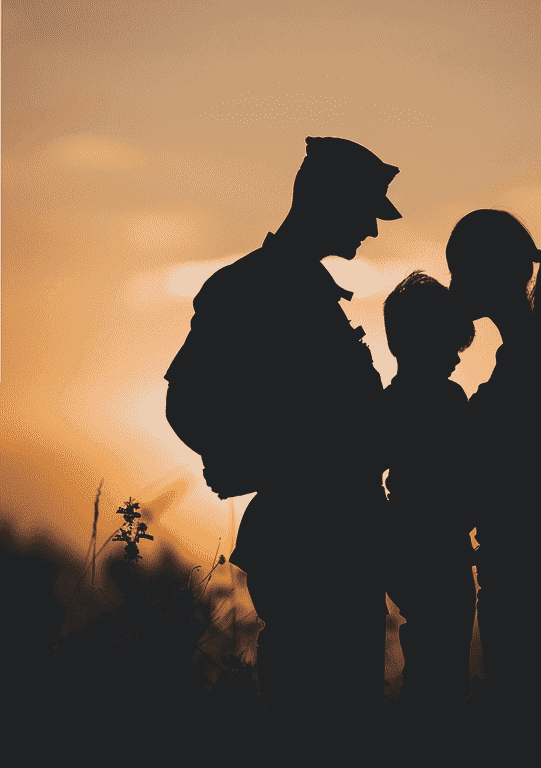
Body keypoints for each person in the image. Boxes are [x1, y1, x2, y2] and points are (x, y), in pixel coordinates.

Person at [163, 137, 401, 739]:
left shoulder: (306, 289)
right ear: (328, 203)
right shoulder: (246, 288)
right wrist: (263, 465)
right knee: (316, 715)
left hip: (345, 531)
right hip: (307, 538)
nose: (373, 230)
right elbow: (187, 403)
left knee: (346, 715)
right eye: (366, 212)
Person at [445, 208, 541, 724]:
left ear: (492, 274)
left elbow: (492, 458)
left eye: (461, 272)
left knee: (523, 718)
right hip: (531, 553)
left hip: (524, 559)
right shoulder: (528, 351)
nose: (455, 285)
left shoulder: (526, 360)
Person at [382, 271, 478, 723]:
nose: (456, 359)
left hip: (412, 548)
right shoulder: (448, 400)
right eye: (449, 346)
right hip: (438, 551)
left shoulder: (389, 402)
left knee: (430, 661)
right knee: (440, 670)